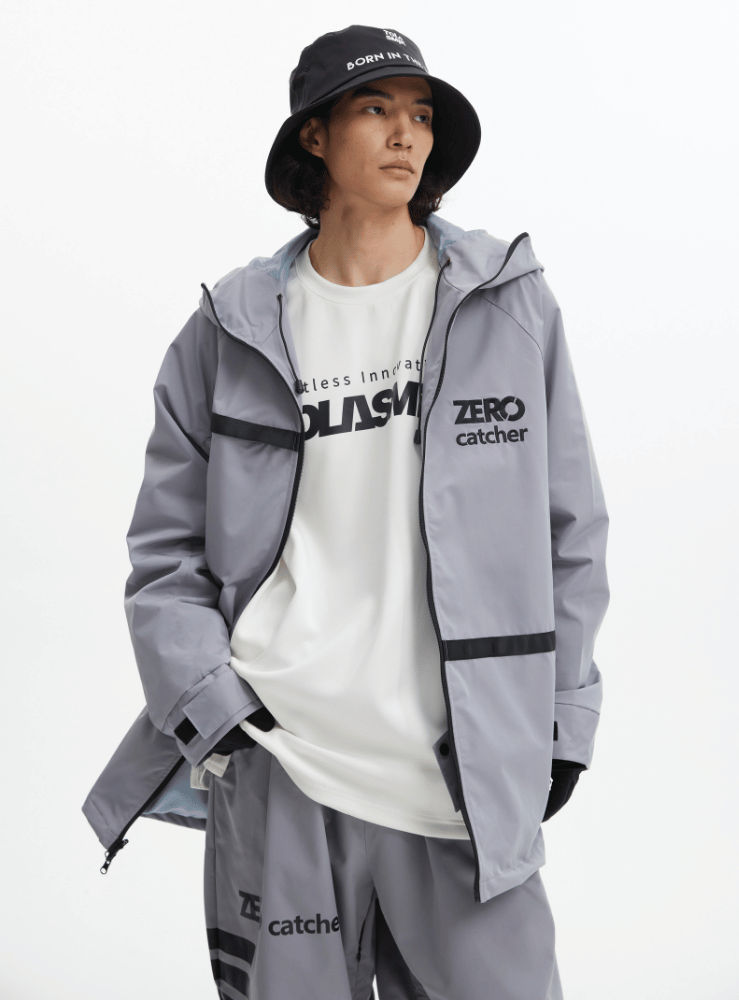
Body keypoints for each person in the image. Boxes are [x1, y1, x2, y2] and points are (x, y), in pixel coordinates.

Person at [82, 24, 609, 1000]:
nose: (407, 133)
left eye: (422, 114)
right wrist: (216, 712)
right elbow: (165, 553)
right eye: (376, 109)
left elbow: (569, 530)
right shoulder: (230, 327)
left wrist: (565, 719)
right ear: (315, 137)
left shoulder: (506, 302)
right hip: (285, 762)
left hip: (459, 776)